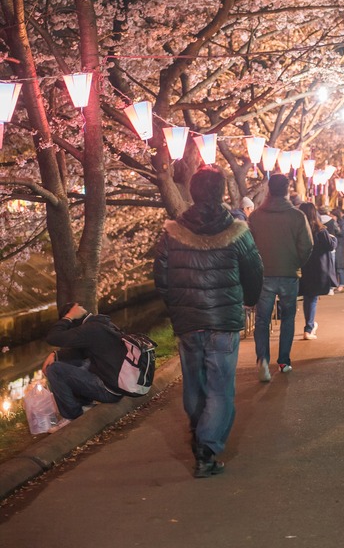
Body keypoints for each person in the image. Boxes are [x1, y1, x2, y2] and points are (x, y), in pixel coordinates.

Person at [154, 166, 263, 478]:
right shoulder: (237, 231)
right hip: (224, 321)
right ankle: (206, 450)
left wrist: (175, 303)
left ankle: (199, 430)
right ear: (221, 193)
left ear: (192, 192)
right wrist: (248, 300)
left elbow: (160, 274)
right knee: (219, 387)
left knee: (195, 382)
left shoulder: (172, 231)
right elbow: (254, 271)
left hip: (188, 319)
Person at [249, 173, 313, 381]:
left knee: (262, 319)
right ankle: (284, 360)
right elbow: (307, 245)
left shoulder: (256, 216)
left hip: (264, 274)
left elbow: (249, 247)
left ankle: (263, 360)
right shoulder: (297, 216)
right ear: (287, 190)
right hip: (288, 274)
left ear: (269, 189)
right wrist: (296, 262)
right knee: (288, 317)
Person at [43, 303, 127, 424]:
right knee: (74, 362)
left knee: (54, 370)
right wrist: (55, 355)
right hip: (117, 386)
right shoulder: (101, 325)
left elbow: (52, 338)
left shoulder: (89, 330)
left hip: (108, 391)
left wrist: (69, 317)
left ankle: (73, 415)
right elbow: (80, 353)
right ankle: (84, 404)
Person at [298, 203, 338, 339]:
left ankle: (309, 326)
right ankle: (308, 328)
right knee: (312, 298)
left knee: (308, 297)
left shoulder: (298, 230)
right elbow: (330, 245)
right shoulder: (320, 230)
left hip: (303, 267)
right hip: (318, 268)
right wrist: (334, 239)